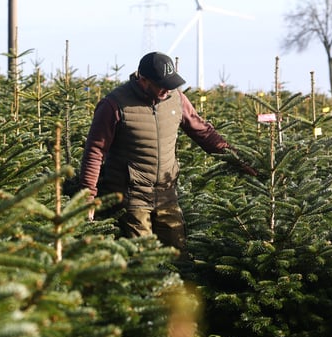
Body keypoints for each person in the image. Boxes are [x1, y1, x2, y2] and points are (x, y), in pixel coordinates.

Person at [78, 51, 255, 256]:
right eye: (163, 84)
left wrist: (238, 159)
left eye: (171, 84)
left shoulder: (176, 99)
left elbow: (203, 133)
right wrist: (88, 195)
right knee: (142, 259)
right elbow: (95, 151)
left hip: (166, 194)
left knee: (177, 254)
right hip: (130, 196)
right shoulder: (114, 104)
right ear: (143, 80)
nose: (168, 89)